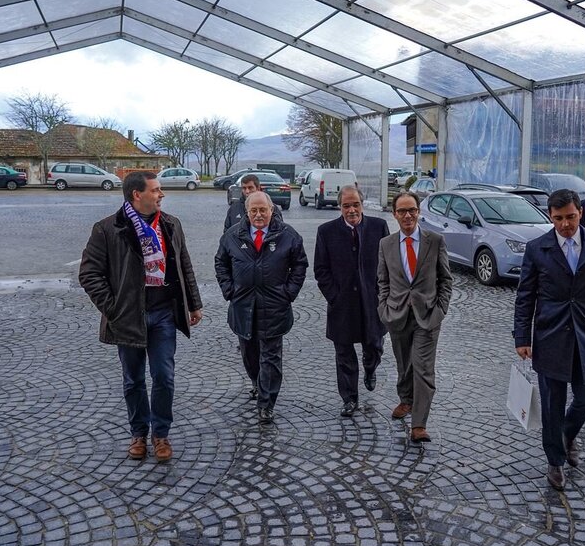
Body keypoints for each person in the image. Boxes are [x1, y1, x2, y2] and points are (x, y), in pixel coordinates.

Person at [78, 171, 203, 462]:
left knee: (164, 377)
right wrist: (113, 308)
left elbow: (184, 266)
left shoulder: (171, 224)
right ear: (137, 194)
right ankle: (138, 433)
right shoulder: (107, 229)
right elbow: (89, 274)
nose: (162, 194)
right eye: (156, 189)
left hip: (164, 315)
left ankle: (161, 434)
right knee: (133, 380)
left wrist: (193, 304)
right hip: (129, 317)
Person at [513, 189, 585, 491]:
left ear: (581, 213)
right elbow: (525, 296)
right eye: (559, 218)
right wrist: (522, 336)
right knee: (552, 403)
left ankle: (566, 434)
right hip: (551, 335)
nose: (565, 224)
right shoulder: (538, 248)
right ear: (551, 217)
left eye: (571, 217)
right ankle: (555, 462)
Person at [215, 191, 308, 424]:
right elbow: (221, 262)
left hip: (274, 306)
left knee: (271, 356)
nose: (258, 215)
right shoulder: (232, 236)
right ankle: (257, 383)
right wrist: (229, 290)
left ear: (271, 210)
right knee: (249, 353)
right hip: (242, 305)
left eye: (263, 210)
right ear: (247, 212)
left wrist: (288, 293)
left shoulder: (288, 235)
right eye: (253, 210)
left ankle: (267, 402)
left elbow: (299, 265)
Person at [377, 191, 452, 443]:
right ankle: (406, 399)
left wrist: (440, 309)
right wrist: (384, 308)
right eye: (402, 211)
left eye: (412, 210)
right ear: (395, 214)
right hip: (397, 315)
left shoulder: (435, 241)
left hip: (428, 316)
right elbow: (383, 281)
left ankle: (419, 424)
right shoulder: (386, 244)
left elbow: (445, 279)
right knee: (404, 364)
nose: (407, 215)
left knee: (422, 368)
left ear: (419, 211)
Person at [314, 185, 390, 418]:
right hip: (342, 305)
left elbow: (388, 263)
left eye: (355, 204)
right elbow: (321, 269)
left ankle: (370, 368)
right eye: (347, 205)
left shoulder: (378, 227)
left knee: (374, 346)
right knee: (344, 354)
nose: (351, 210)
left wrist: (383, 294)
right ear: (340, 207)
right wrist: (334, 296)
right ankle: (349, 398)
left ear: (362, 205)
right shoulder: (326, 231)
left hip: (372, 302)